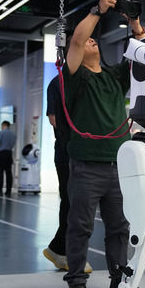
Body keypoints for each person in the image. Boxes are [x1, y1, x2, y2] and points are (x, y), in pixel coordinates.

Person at [61, 0, 140, 288]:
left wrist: (134, 23)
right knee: (80, 226)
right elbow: (77, 41)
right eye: (88, 40)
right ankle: (76, 280)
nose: (91, 40)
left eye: (95, 39)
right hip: (86, 165)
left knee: (119, 227)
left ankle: (119, 277)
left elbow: (140, 54)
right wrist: (97, 10)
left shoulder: (115, 76)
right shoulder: (75, 77)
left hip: (118, 165)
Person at [42, 74, 98, 274]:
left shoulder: (90, 80)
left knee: (78, 204)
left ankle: (59, 249)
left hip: (88, 153)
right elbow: (53, 119)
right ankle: (68, 254)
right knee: (71, 202)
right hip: (67, 153)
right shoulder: (57, 83)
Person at [0, 121, 17, 196]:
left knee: (0, 172)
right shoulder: (13, 134)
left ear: (4, 125)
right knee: (8, 172)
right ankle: (8, 191)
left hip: (2, 153)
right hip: (9, 153)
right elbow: (13, 144)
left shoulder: (1, 132)